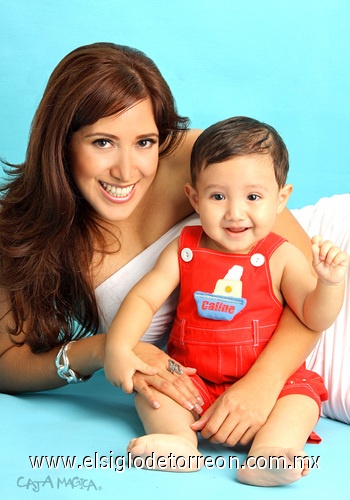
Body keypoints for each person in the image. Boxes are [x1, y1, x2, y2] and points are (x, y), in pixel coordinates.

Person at [0, 42, 325, 447]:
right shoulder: (25, 230)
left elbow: (312, 291)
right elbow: (7, 363)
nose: (125, 170)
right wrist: (105, 349)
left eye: (145, 142)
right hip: (213, 374)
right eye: (102, 142)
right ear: (61, 141)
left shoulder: (192, 156)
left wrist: (261, 385)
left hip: (317, 295)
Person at [104, 117, 348, 486]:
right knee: (155, 391)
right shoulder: (184, 248)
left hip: (268, 386)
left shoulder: (280, 256)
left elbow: (314, 316)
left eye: (253, 197)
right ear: (194, 197)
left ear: (281, 199)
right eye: (218, 196)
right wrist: (119, 347)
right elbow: (144, 297)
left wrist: (329, 285)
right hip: (194, 380)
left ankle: (270, 455)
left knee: (300, 402)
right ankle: (179, 442)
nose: (235, 213)